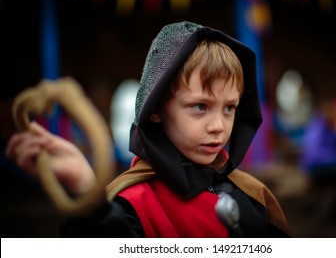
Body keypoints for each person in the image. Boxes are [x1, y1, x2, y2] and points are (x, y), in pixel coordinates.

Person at [5, 21, 290, 238]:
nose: (218, 127)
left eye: (229, 108)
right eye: (200, 107)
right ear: (155, 108)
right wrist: (85, 191)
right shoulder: (132, 205)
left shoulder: (252, 194)